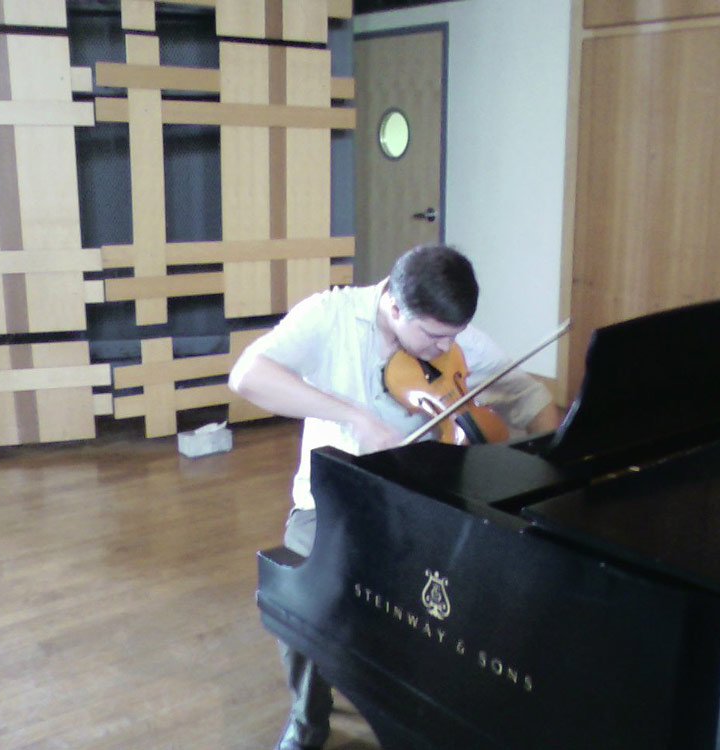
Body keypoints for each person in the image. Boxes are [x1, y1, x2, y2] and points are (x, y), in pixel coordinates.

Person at [229, 244, 562, 750]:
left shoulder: (450, 335)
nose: (444, 347)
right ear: (395, 306)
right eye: (433, 337)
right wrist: (353, 416)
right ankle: (308, 716)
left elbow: (524, 393)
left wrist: (554, 448)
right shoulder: (331, 317)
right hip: (331, 501)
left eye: (452, 336)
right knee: (302, 593)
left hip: (422, 502)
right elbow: (248, 375)